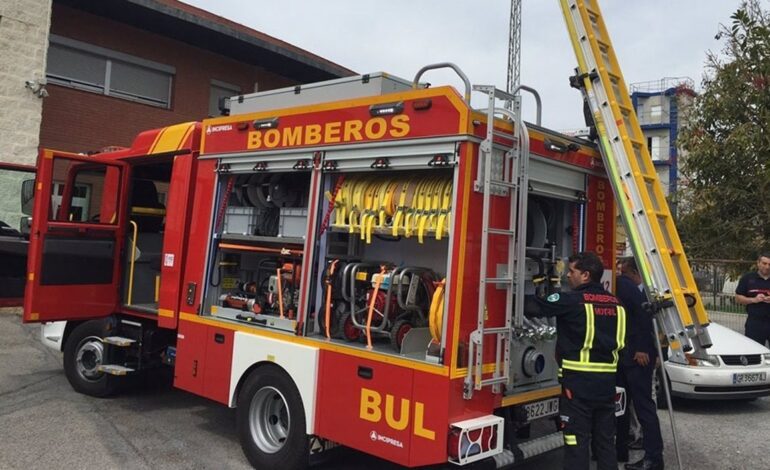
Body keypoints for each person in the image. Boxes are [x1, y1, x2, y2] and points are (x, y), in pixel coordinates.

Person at [526, 252, 626, 470]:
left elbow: (535, 307)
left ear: (586, 275)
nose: (568, 276)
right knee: (606, 443)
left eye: (572, 271)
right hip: (607, 384)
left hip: (578, 387)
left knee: (576, 442)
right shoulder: (616, 304)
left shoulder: (571, 300)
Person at [615, 257, 664, 470]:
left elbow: (644, 317)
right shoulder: (635, 287)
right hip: (629, 354)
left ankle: (653, 458)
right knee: (625, 404)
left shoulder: (627, 286)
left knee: (641, 407)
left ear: (632, 272)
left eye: (622, 270)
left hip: (636, 355)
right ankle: (624, 450)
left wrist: (643, 348)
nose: (619, 273)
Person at [735, 253, 770, 346]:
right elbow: (738, 298)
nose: (767, 267)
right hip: (755, 323)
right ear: (758, 263)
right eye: (764, 263)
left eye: (769, 264)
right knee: (754, 353)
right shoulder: (747, 278)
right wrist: (754, 300)